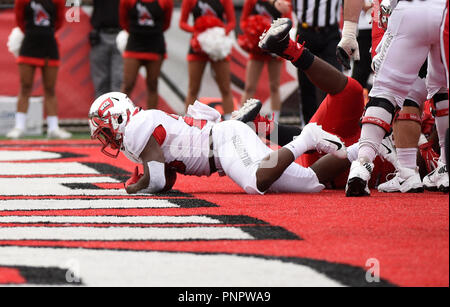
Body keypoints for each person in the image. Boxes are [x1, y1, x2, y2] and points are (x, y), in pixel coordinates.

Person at [88, 89, 347, 195]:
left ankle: (307, 138)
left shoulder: (136, 128)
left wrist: (133, 188)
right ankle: (362, 152)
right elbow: (166, 180)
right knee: (310, 184)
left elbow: (154, 181)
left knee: (255, 183)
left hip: (224, 142)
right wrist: (144, 181)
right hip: (223, 142)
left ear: (118, 117)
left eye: (105, 129)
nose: (106, 138)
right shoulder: (141, 123)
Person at [341, 0, 449, 196]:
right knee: (444, 91)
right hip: (445, 11)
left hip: (409, 10)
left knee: (385, 91)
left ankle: (363, 163)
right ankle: (444, 167)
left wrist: (349, 31)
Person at [7, 0, 72, 140]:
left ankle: (53, 128)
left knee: (50, 88)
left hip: (49, 45)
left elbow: (59, 21)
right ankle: (19, 127)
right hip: (29, 43)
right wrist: (33, 33)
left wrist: (44, 33)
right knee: (25, 86)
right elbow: (19, 20)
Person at [179, 0, 236, 120]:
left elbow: (232, 22)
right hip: (197, 46)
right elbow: (182, 23)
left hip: (217, 47)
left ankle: (230, 124)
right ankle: (187, 122)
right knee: (193, 88)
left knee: (225, 88)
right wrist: (198, 31)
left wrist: (219, 33)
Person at [291, 0, 343, 125]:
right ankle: (309, 124)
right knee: (305, 81)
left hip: (331, 33)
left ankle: (332, 123)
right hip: (306, 31)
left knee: (334, 78)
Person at [239, 0, 291, 122]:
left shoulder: (282, 2)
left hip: (275, 48)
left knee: (274, 86)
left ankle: (275, 122)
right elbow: (243, 22)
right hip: (257, 49)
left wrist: (274, 36)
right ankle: (241, 121)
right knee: (249, 87)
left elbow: (288, 22)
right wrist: (255, 30)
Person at [119, 0, 173, 109]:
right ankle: (120, 116)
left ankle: (151, 120)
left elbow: (166, 24)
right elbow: (123, 21)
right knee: (128, 84)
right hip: (134, 45)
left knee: (153, 84)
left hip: (155, 47)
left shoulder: (166, 1)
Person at [89, 0, 123, 98]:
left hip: (121, 35)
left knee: (119, 82)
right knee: (100, 83)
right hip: (100, 35)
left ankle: (118, 112)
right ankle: (101, 112)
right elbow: (71, 2)